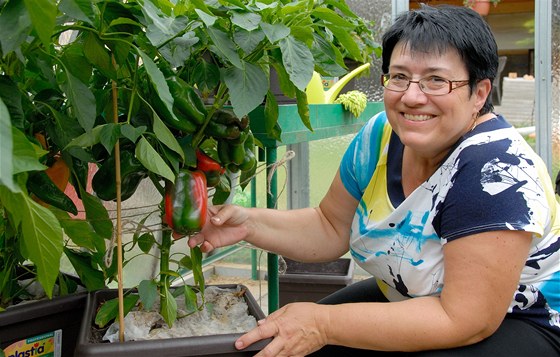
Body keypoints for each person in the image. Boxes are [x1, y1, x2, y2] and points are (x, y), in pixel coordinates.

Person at [187, 4, 560, 356]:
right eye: (399, 77)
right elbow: (330, 226)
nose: (412, 97)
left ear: (479, 92)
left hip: (521, 322)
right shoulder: (381, 134)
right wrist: (247, 223)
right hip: (411, 297)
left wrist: (324, 324)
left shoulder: (494, 170)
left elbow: (464, 319)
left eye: (436, 80)